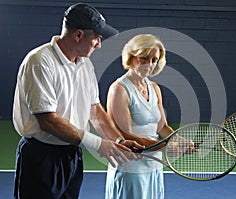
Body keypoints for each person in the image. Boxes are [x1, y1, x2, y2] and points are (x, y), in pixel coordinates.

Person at [12, 3, 144, 199]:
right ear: (79, 35)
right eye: (97, 38)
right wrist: (99, 144)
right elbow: (48, 120)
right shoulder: (39, 61)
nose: (99, 44)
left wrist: (118, 141)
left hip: (72, 155)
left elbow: (95, 110)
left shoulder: (85, 64)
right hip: (41, 157)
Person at [105, 34, 184, 199]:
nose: (149, 64)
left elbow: (161, 127)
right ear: (132, 57)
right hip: (131, 169)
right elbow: (124, 135)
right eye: (144, 58)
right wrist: (165, 146)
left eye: (154, 60)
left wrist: (178, 140)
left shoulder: (154, 88)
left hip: (154, 166)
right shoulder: (119, 89)